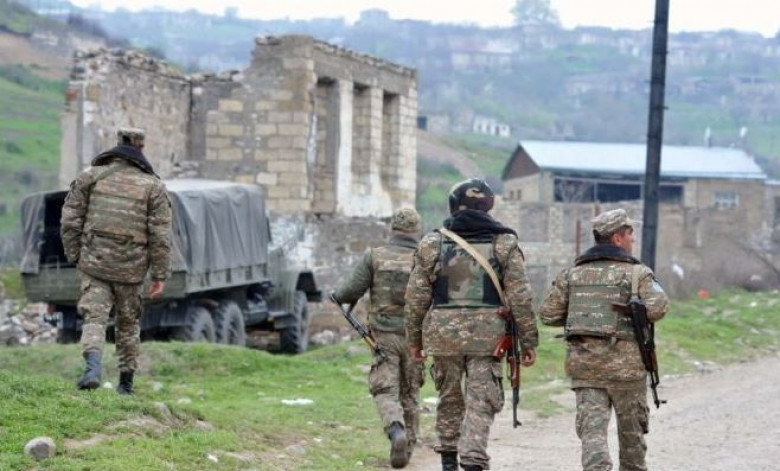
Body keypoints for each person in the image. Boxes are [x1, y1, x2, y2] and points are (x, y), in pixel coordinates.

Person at [405, 178, 538, 471]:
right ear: (488, 205)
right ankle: (473, 458)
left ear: (453, 205)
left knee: (449, 397)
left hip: (443, 336)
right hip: (488, 338)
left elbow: (415, 297)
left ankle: (448, 461)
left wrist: (414, 340)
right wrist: (529, 341)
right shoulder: (504, 243)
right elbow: (521, 297)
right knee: (481, 399)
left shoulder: (432, 243)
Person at [539, 208, 669, 471]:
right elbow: (658, 308)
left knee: (592, 435)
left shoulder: (572, 274)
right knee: (631, 439)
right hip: (626, 371)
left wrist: (582, 315)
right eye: (630, 234)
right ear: (617, 238)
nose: (633, 239)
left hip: (586, 367)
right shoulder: (637, 273)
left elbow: (548, 314)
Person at [61, 127, 172, 395]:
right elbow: (160, 236)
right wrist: (159, 275)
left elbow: (69, 221)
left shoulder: (90, 177)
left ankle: (92, 369)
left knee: (94, 318)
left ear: (118, 143)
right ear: (141, 148)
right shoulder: (154, 187)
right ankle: (125, 385)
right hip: (131, 271)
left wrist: (76, 255)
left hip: (95, 265)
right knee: (128, 324)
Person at [331, 207, 424, 468]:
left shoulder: (375, 256)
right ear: (417, 230)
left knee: (385, 389)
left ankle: (396, 430)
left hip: (383, 337)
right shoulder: (425, 259)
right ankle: (408, 449)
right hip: (416, 338)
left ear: (393, 228)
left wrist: (337, 295)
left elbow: (351, 291)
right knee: (411, 392)